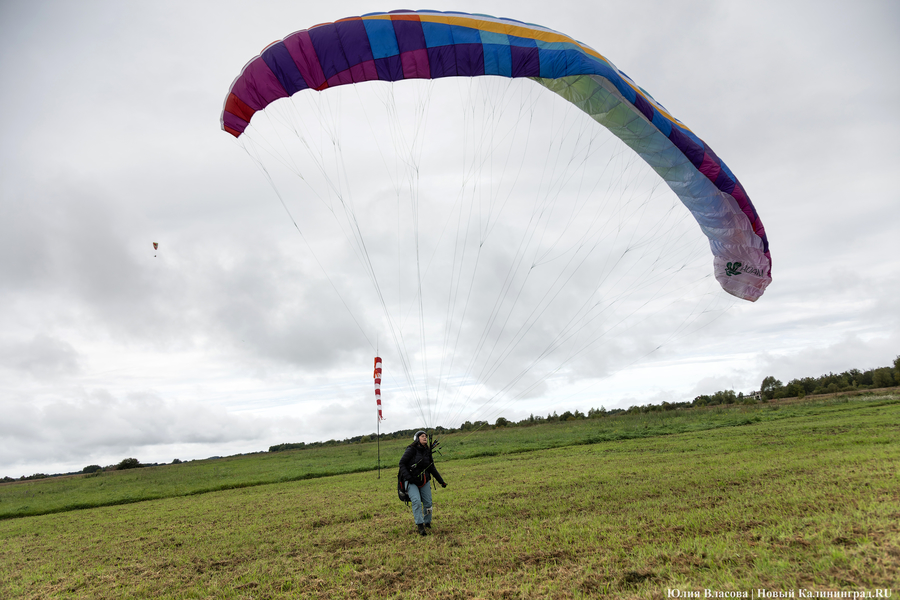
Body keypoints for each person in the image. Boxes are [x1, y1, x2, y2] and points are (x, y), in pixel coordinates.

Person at [398, 430, 447, 536]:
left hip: (424, 479)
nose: (425, 437)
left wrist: (441, 481)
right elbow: (401, 463)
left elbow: (432, 468)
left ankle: (427, 522)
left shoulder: (427, 451)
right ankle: (420, 525)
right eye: (422, 436)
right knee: (416, 501)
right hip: (411, 480)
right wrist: (409, 477)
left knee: (428, 503)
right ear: (417, 439)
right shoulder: (411, 450)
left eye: (425, 436)